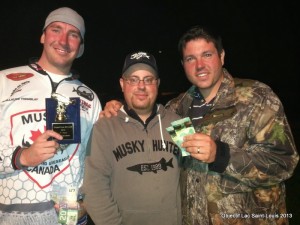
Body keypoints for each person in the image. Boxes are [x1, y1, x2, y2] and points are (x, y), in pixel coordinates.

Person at [99, 26, 299, 225]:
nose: (199, 65)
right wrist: (119, 109)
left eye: (207, 54)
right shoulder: (176, 109)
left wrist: (221, 155)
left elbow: (284, 163)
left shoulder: (257, 98)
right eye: (190, 59)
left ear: (221, 57)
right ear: (183, 64)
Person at [0, 7, 101, 225]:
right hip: (11, 216)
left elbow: (96, 163)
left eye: (73, 34)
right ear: (43, 36)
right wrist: (22, 157)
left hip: (68, 216)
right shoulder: (4, 81)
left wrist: (86, 205)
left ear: (80, 47)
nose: (63, 40)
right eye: (56, 29)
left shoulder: (90, 98)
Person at [83, 51, 182, 225]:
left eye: (148, 79)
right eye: (133, 79)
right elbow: (93, 189)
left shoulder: (179, 123)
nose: (141, 86)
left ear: (157, 84)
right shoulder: (103, 128)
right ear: (122, 84)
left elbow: (196, 175)